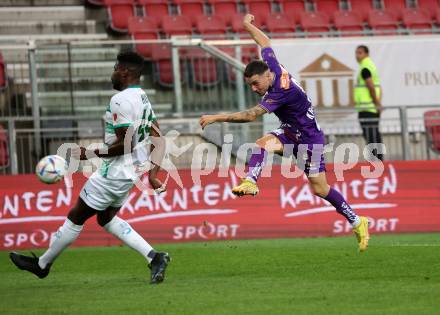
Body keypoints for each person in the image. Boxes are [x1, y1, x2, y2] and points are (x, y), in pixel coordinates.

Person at [200, 14, 370, 252]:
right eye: (250, 84)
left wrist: (216, 117)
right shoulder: (272, 67)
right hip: (291, 132)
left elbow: (250, 115)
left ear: (268, 76)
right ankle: (250, 181)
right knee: (262, 143)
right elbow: (266, 43)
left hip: (310, 139)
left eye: (256, 83)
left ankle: (356, 221)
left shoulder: (280, 90)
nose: (254, 88)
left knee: (320, 189)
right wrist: (248, 25)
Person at [10, 51, 170, 284]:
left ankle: (42, 264)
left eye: (115, 68)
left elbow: (127, 145)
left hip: (114, 173)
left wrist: (88, 153)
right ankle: (155, 257)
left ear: (125, 71)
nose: (113, 73)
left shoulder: (121, 100)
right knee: (105, 218)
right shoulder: (142, 96)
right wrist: (153, 174)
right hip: (130, 172)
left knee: (77, 215)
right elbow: (158, 136)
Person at [354, 45, 383, 161]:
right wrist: (378, 103)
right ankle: (379, 159)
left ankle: (375, 161)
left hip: (367, 108)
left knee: (370, 136)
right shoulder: (371, 66)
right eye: (356, 53)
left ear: (366, 53)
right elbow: (378, 86)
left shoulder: (365, 68)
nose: (357, 56)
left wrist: (377, 103)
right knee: (374, 134)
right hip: (371, 107)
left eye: (360, 53)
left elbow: (371, 86)